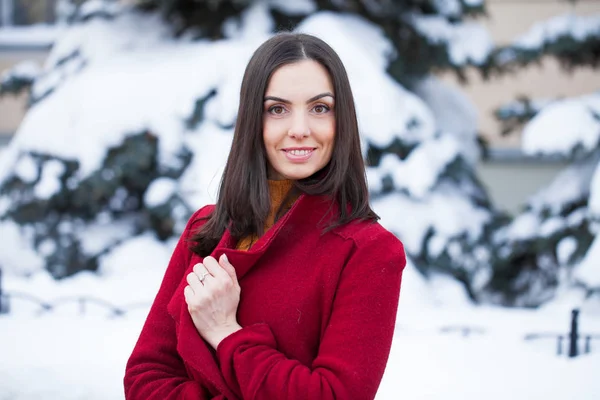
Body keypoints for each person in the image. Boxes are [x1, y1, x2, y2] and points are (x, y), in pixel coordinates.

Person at [124, 32, 406, 400]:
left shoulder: (369, 252)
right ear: (253, 122)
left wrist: (227, 332)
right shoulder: (205, 231)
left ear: (343, 121)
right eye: (278, 109)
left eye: (320, 108)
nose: (300, 129)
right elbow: (145, 377)